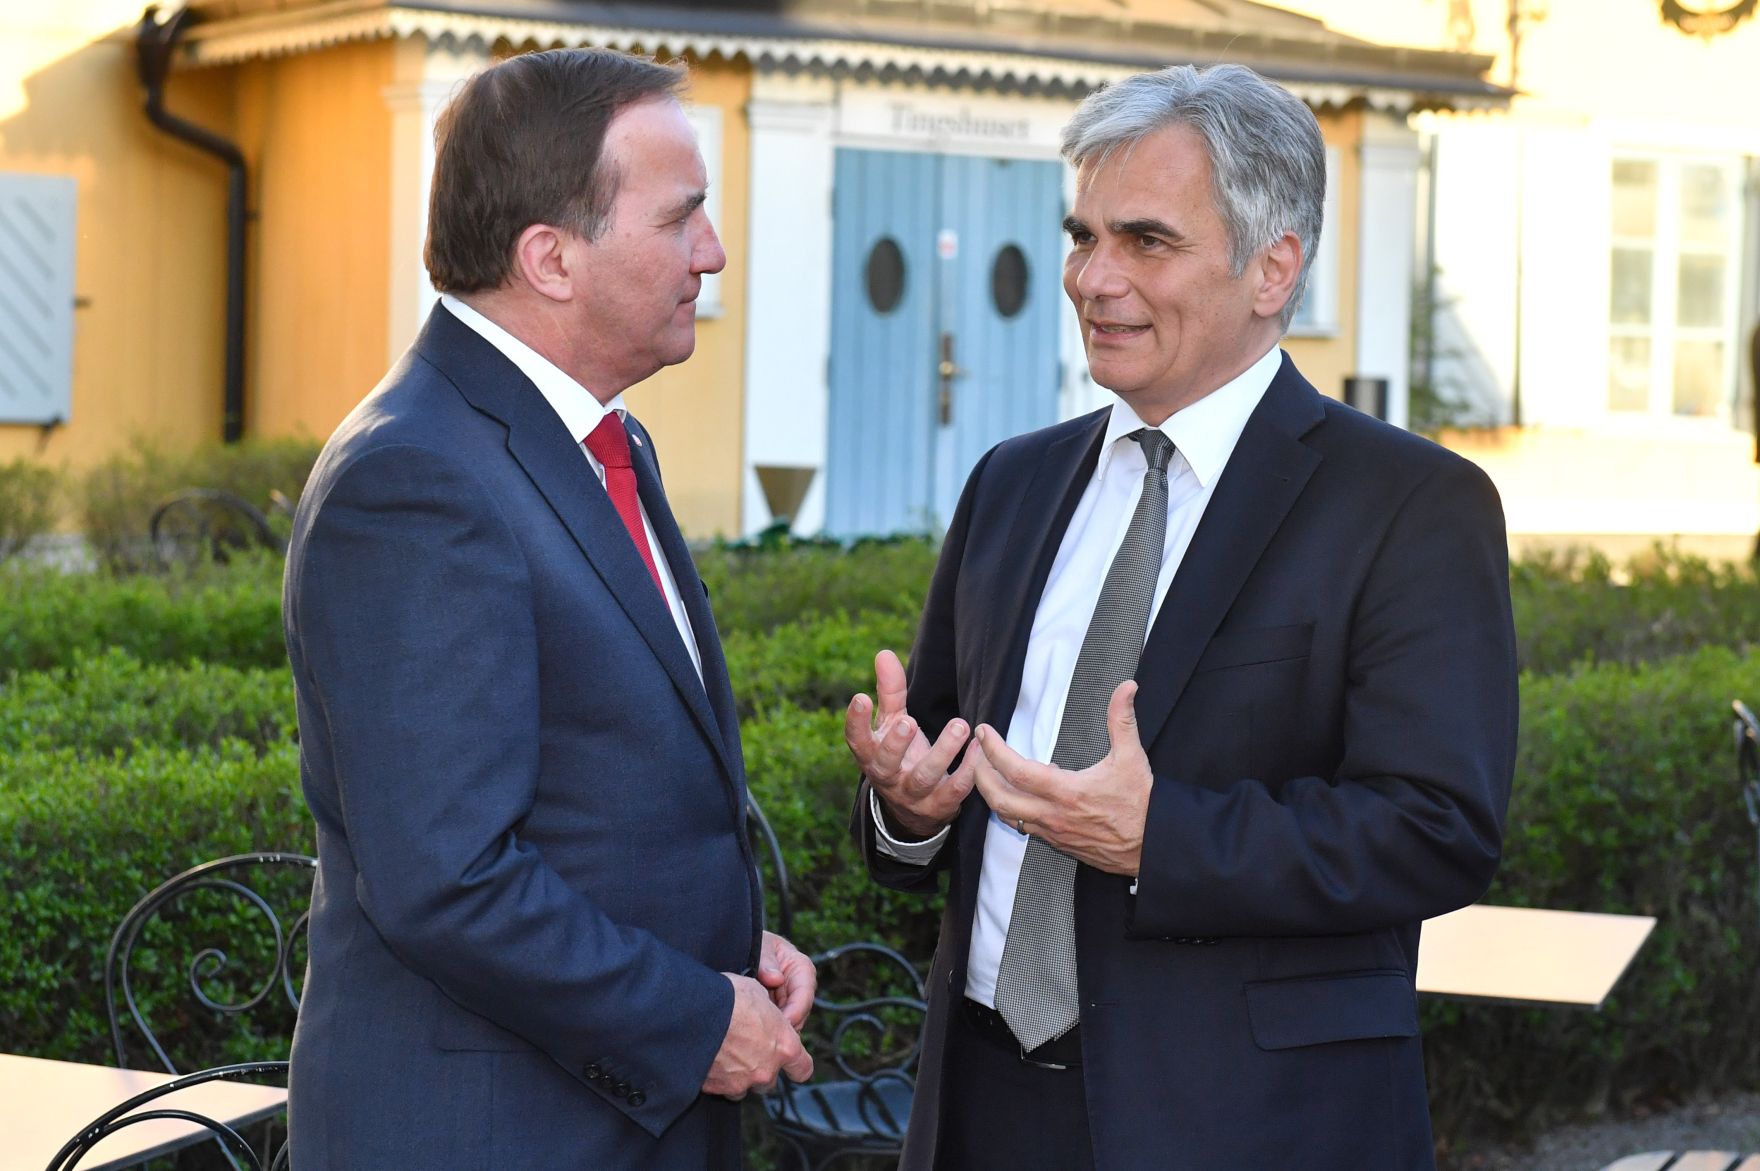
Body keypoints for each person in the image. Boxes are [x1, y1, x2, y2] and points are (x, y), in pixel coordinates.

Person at [846, 63, 1517, 1171]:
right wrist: (910, 810)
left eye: (1144, 241)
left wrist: (1164, 839)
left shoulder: (1408, 505)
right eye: (1081, 234)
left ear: (1272, 267)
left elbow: (1433, 829)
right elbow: (940, 771)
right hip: (978, 1106)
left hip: (1249, 1124)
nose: (1090, 278)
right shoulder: (1010, 485)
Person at [282, 47, 813, 1170]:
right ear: (550, 258)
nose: (711, 255)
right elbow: (448, 880)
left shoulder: (603, 442)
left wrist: (718, 951)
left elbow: (586, 796)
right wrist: (688, 1014)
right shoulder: (416, 479)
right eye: (681, 220)